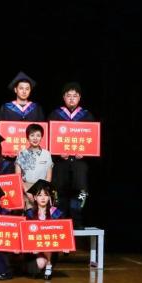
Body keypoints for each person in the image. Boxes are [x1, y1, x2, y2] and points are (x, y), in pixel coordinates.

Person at [49, 82, 95, 228]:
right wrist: (57, 152)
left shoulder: (87, 115)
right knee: (59, 195)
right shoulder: (55, 115)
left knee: (80, 195)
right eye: (68, 95)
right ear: (64, 97)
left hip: (79, 164)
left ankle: (78, 226)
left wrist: (85, 152)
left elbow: (92, 139)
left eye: (75, 96)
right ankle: (59, 227)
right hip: (60, 164)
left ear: (79, 98)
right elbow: (49, 138)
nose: (71, 98)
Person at [24, 180, 64, 280]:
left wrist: (65, 245)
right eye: (39, 195)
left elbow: (62, 231)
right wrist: (32, 247)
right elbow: (25, 234)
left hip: (50, 250)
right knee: (39, 263)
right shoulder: (29, 214)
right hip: (34, 252)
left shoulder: (55, 213)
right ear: (34, 197)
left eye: (46, 195)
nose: (42, 198)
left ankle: (49, 264)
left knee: (47, 239)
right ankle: (43, 266)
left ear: (49, 197)